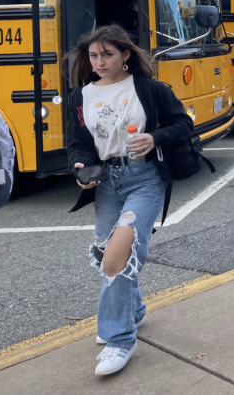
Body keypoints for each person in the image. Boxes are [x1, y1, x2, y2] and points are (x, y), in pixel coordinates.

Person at [65, 25, 194, 376]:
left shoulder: (148, 89)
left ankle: (119, 338)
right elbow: (77, 143)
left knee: (118, 255)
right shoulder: (81, 96)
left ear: (125, 54)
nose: (99, 61)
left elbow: (184, 124)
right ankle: (133, 311)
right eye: (93, 55)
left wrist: (154, 138)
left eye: (107, 54)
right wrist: (79, 166)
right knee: (109, 255)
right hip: (106, 182)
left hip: (145, 180)